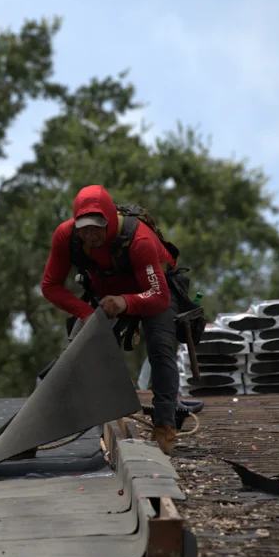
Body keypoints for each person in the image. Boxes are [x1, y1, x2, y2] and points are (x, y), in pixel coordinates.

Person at [40, 185, 201, 455]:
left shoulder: (139, 240)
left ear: (110, 221)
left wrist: (127, 302)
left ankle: (165, 426)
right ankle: (37, 428)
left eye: (97, 228)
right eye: (84, 229)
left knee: (160, 347)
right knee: (75, 353)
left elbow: (159, 296)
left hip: (152, 292)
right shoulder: (66, 237)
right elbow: (50, 286)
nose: (90, 236)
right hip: (107, 296)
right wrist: (86, 313)